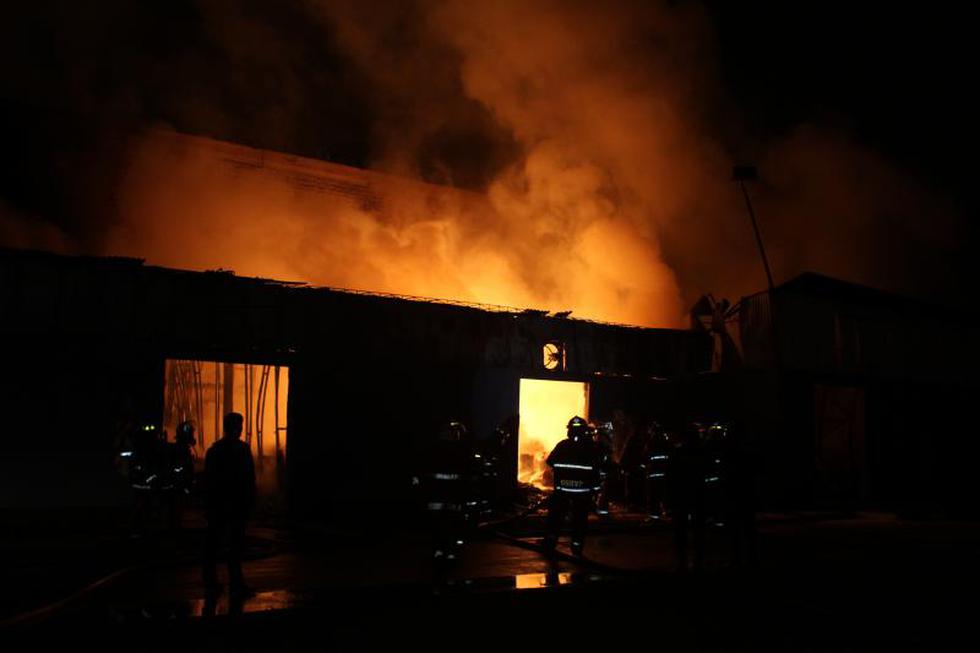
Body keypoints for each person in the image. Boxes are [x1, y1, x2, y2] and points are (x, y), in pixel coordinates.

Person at [203, 412, 256, 599]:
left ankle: (211, 582)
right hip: (235, 505)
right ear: (238, 428)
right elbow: (249, 479)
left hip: (219, 504)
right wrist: (250, 502)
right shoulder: (242, 450)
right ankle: (235, 584)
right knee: (234, 547)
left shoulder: (214, 451)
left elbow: (208, 480)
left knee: (215, 545)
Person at [415, 421, 474, 561]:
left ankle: (439, 550)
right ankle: (449, 550)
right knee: (451, 523)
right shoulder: (460, 452)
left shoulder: (431, 450)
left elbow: (421, 472)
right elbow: (467, 475)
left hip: (437, 494)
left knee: (438, 524)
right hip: (451, 495)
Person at [543, 416, 601, 556]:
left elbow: (550, 461)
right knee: (579, 522)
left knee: (556, 519)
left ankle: (550, 543)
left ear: (569, 431)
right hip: (582, 493)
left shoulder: (562, 445)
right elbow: (596, 470)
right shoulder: (591, 448)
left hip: (562, 490)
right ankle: (577, 547)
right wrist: (594, 491)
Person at [668, 422, 707, 573]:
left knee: (682, 531)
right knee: (697, 531)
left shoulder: (678, 452)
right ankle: (697, 561)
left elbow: (670, 477)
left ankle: (682, 562)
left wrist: (670, 497)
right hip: (697, 496)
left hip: (683, 497)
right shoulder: (703, 452)